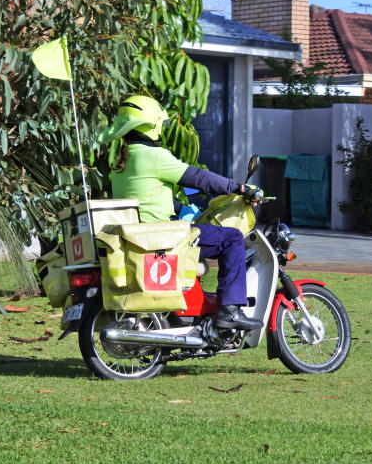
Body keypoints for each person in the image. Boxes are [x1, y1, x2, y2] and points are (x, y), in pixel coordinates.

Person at [99, 94, 263, 331]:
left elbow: (144, 198)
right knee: (232, 238)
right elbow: (198, 177)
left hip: (141, 235)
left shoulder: (122, 160)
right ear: (152, 124)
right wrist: (238, 187)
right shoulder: (154, 156)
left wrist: (177, 207)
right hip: (163, 236)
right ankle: (230, 311)